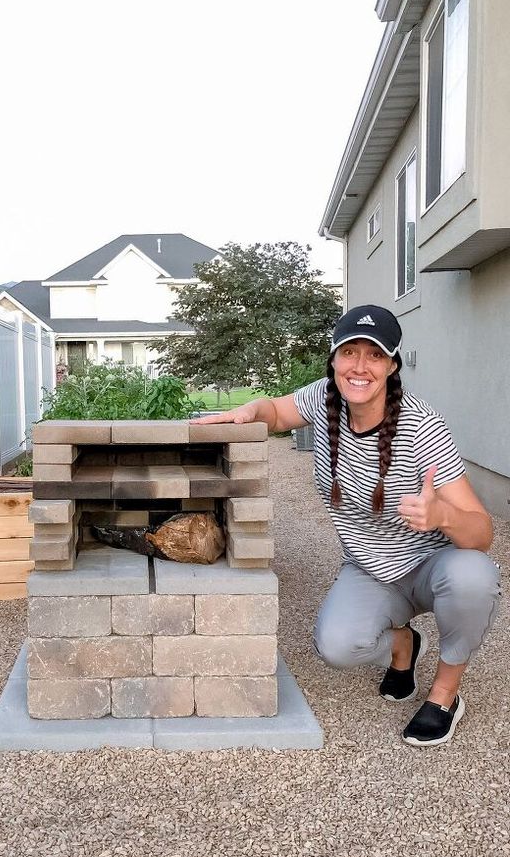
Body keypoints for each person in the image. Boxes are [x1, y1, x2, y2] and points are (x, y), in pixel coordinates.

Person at [200, 304, 500, 747]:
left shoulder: (422, 429)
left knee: (474, 576)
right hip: (371, 569)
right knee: (337, 648)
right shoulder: (325, 399)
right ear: (334, 358)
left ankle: (445, 695)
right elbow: (278, 413)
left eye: (374, 355)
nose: (359, 367)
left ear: (393, 364)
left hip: (433, 565)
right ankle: (402, 646)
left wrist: (443, 516)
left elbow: (482, 535)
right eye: (349, 352)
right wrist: (250, 412)